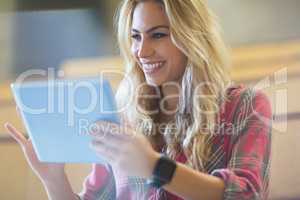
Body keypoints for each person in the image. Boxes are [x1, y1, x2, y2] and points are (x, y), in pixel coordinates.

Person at [4, 0, 272, 199]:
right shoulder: (123, 116)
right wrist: (53, 178)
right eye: (135, 37)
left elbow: (245, 194)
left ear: (191, 38)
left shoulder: (246, 106)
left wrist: (155, 167)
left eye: (158, 35)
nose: (141, 51)